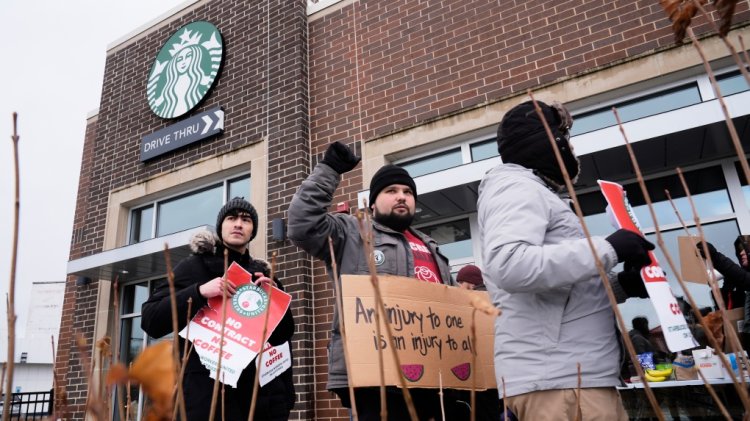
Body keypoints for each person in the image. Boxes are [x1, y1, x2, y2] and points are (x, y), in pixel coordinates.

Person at [477, 100, 655, 420]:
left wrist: (621, 285)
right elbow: (510, 264)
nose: (572, 147)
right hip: (560, 382)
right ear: (549, 141)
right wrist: (608, 248)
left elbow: (563, 294)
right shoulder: (516, 186)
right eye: (565, 137)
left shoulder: (534, 191)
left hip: (571, 378)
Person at [287, 142, 455, 421]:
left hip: (432, 380)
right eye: (391, 191)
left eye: (408, 192)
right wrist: (329, 170)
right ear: (373, 201)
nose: (402, 197)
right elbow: (302, 225)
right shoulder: (351, 233)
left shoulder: (432, 247)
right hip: (375, 380)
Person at [141, 197, 295, 421]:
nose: (238, 224)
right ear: (221, 226)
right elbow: (150, 319)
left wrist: (275, 301)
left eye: (246, 220)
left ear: (253, 231)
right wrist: (199, 291)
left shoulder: (263, 275)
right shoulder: (194, 267)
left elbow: (282, 338)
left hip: (259, 401)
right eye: (231, 218)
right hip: (207, 398)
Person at [697, 236, 750, 350]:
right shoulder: (738, 279)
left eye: (745, 248)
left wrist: (715, 257)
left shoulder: (743, 278)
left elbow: (745, 279)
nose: (741, 253)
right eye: (739, 249)